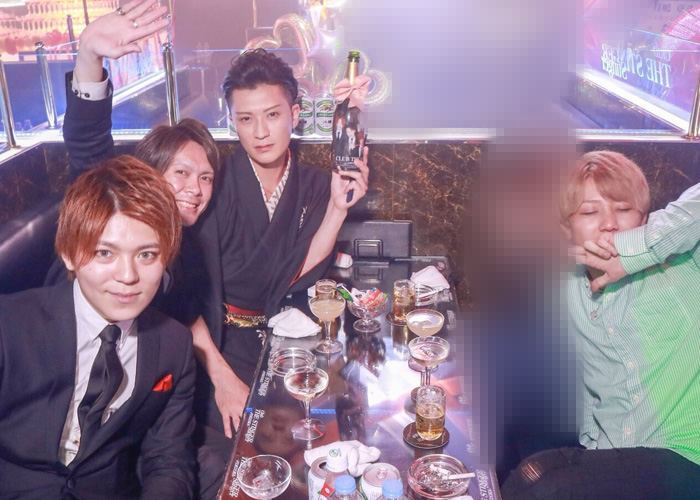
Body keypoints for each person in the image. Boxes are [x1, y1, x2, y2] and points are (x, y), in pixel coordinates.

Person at [189, 47, 369, 438]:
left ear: (295, 114)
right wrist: (221, 377)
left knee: (333, 427)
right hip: (219, 345)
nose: (260, 132)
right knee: (240, 445)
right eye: (246, 118)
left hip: (289, 335)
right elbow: (181, 296)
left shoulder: (316, 184)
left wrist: (338, 209)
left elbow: (301, 272)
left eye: (272, 115)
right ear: (232, 122)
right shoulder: (212, 185)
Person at [501, 150, 700, 499]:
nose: (609, 224)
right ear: (566, 228)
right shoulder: (564, 288)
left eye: (624, 209)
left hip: (687, 454)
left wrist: (637, 251)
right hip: (618, 451)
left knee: (541, 486)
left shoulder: (685, 263)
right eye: (590, 212)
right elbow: (589, 389)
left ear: (645, 219)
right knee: (509, 434)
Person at [0, 156, 195, 499]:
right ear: (69, 254)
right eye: (105, 253)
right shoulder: (9, 325)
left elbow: (168, 459)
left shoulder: (175, 345)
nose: (128, 276)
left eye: (147, 255)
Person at [54, 0, 219, 326]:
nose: (196, 189)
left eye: (206, 178)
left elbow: (185, 313)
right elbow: (88, 143)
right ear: (151, 175)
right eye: (181, 172)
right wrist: (89, 56)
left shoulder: (183, 244)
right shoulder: (113, 207)